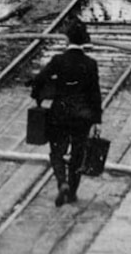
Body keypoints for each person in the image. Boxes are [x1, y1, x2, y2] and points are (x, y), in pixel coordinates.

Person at [30, 21, 103, 206]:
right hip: (83, 117)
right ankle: (72, 192)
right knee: (78, 154)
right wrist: (97, 119)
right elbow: (95, 93)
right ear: (84, 41)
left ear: (67, 39)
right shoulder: (90, 64)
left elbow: (39, 79)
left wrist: (36, 94)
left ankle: (62, 182)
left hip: (60, 114)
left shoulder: (58, 60)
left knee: (57, 152)